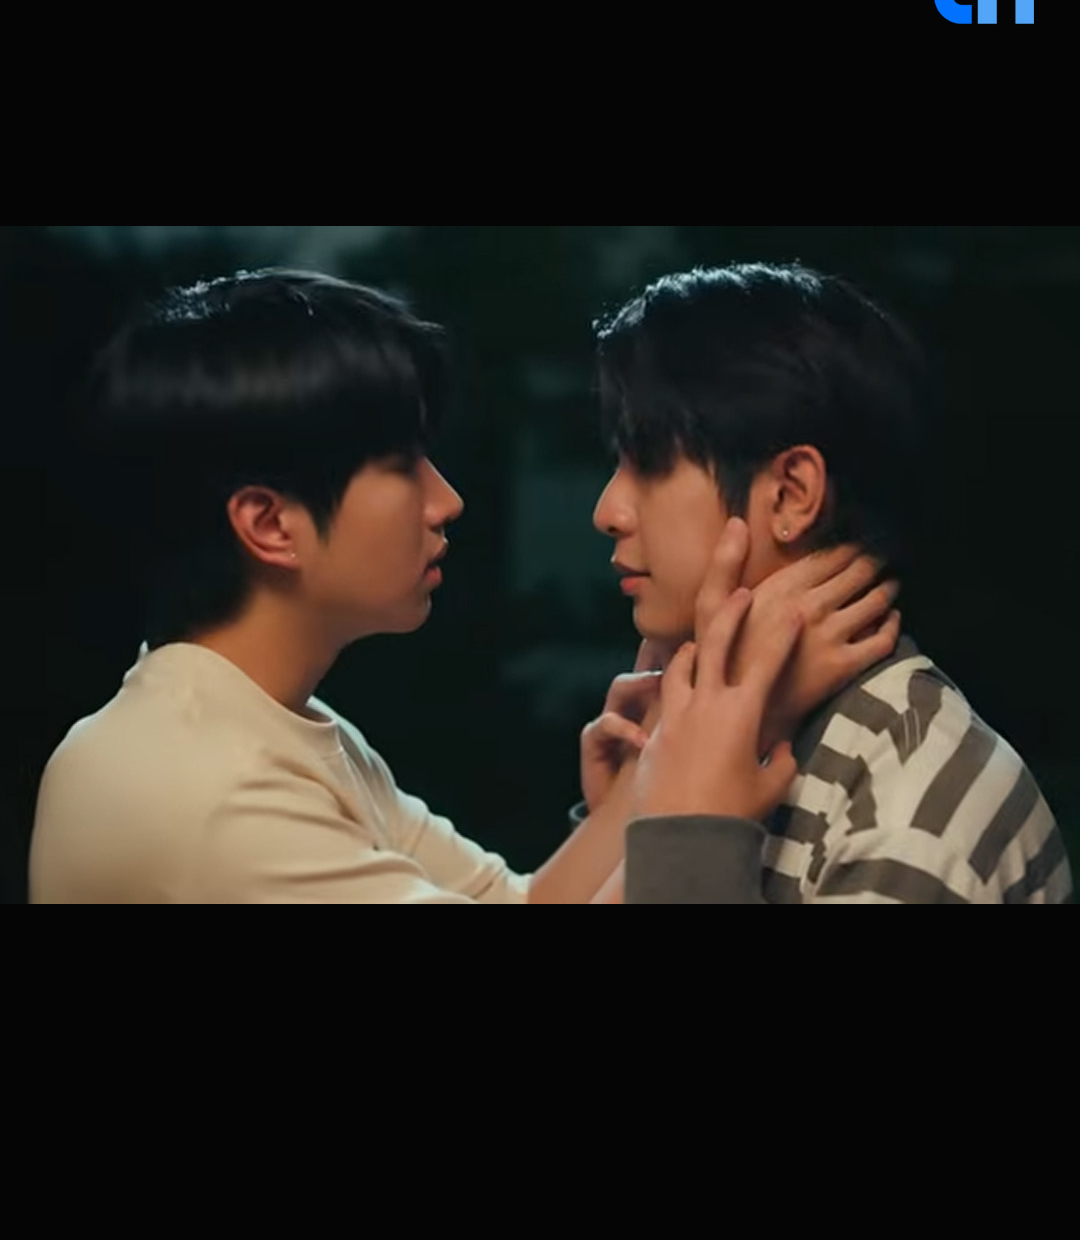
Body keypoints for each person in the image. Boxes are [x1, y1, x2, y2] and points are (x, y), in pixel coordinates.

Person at [30, 268, 898, 905]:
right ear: (270, 524)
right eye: (402, 465)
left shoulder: (268, 729)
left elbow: (517, 903)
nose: (446, 500)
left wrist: (672, 746)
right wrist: (725, 758)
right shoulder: (205, 793)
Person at [591, 261, 1072, 903]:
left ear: (792, 494)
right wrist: (631, 816)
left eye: (648, 463)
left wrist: (679, 834)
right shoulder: (717, 741)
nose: (607, 512)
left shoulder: (909, 815)